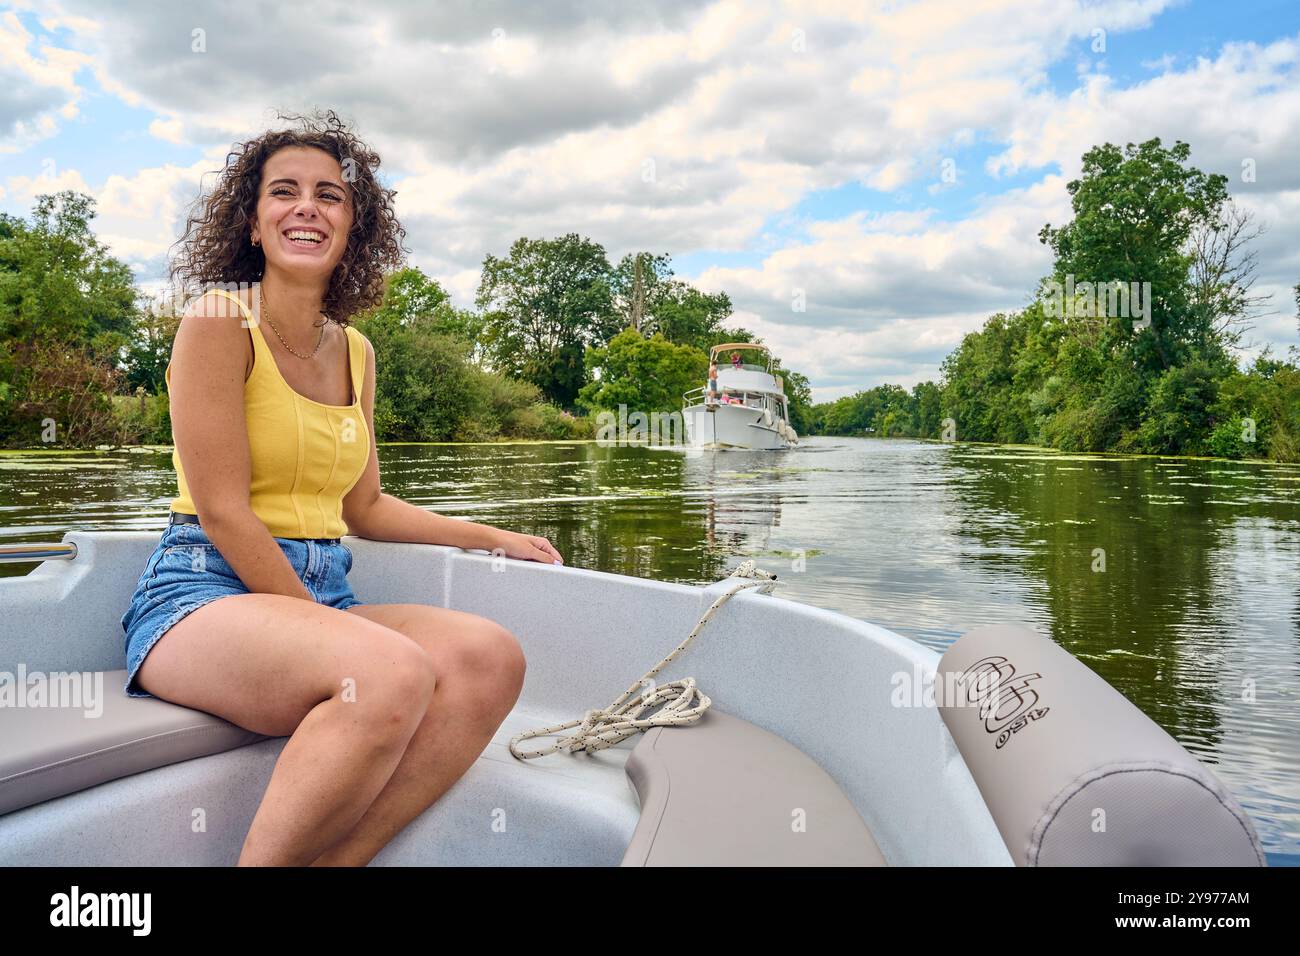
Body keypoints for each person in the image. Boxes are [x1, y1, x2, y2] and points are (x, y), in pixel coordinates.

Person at [119, 109, 562, 868]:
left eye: (330, 195)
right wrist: (334, 631)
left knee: (492, 657)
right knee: (384, 669)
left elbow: (364, 509)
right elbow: (223, 511)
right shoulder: (218, 322)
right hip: (201, 596)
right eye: (283, 192)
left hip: (324, 594)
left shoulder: (356, 351)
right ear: (253, 223)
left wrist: (492, 536)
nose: (306, 208)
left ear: (353, 227)